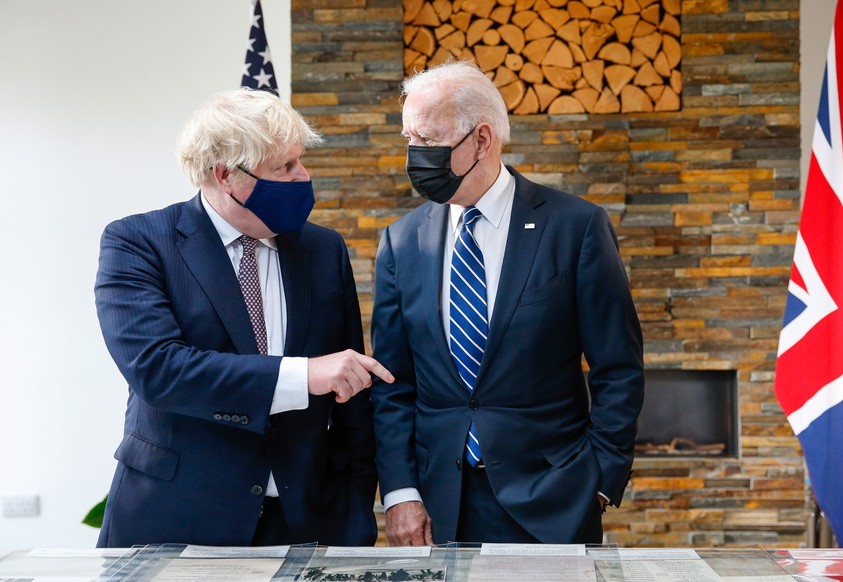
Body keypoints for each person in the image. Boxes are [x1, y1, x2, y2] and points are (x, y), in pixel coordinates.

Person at [94, 87, 394, 547]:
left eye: (300, 161)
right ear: (225, 175)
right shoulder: (139, 242)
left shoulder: (323, 249)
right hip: (178, 519)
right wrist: (303, 374)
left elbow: (351, 393)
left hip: (308, 522)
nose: (303, 177)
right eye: (284, 168)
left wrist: (356, 507)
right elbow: (159, 370)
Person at [370, 61, 645, 545]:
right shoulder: (402, 241)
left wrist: (600, 480)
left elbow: (617, 366)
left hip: (554, 499)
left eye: (429, 140)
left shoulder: (575, 228)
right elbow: (393, 386)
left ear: (482, 139)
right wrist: (400, 493)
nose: (415, 155)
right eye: (408, 139)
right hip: (439, 505)